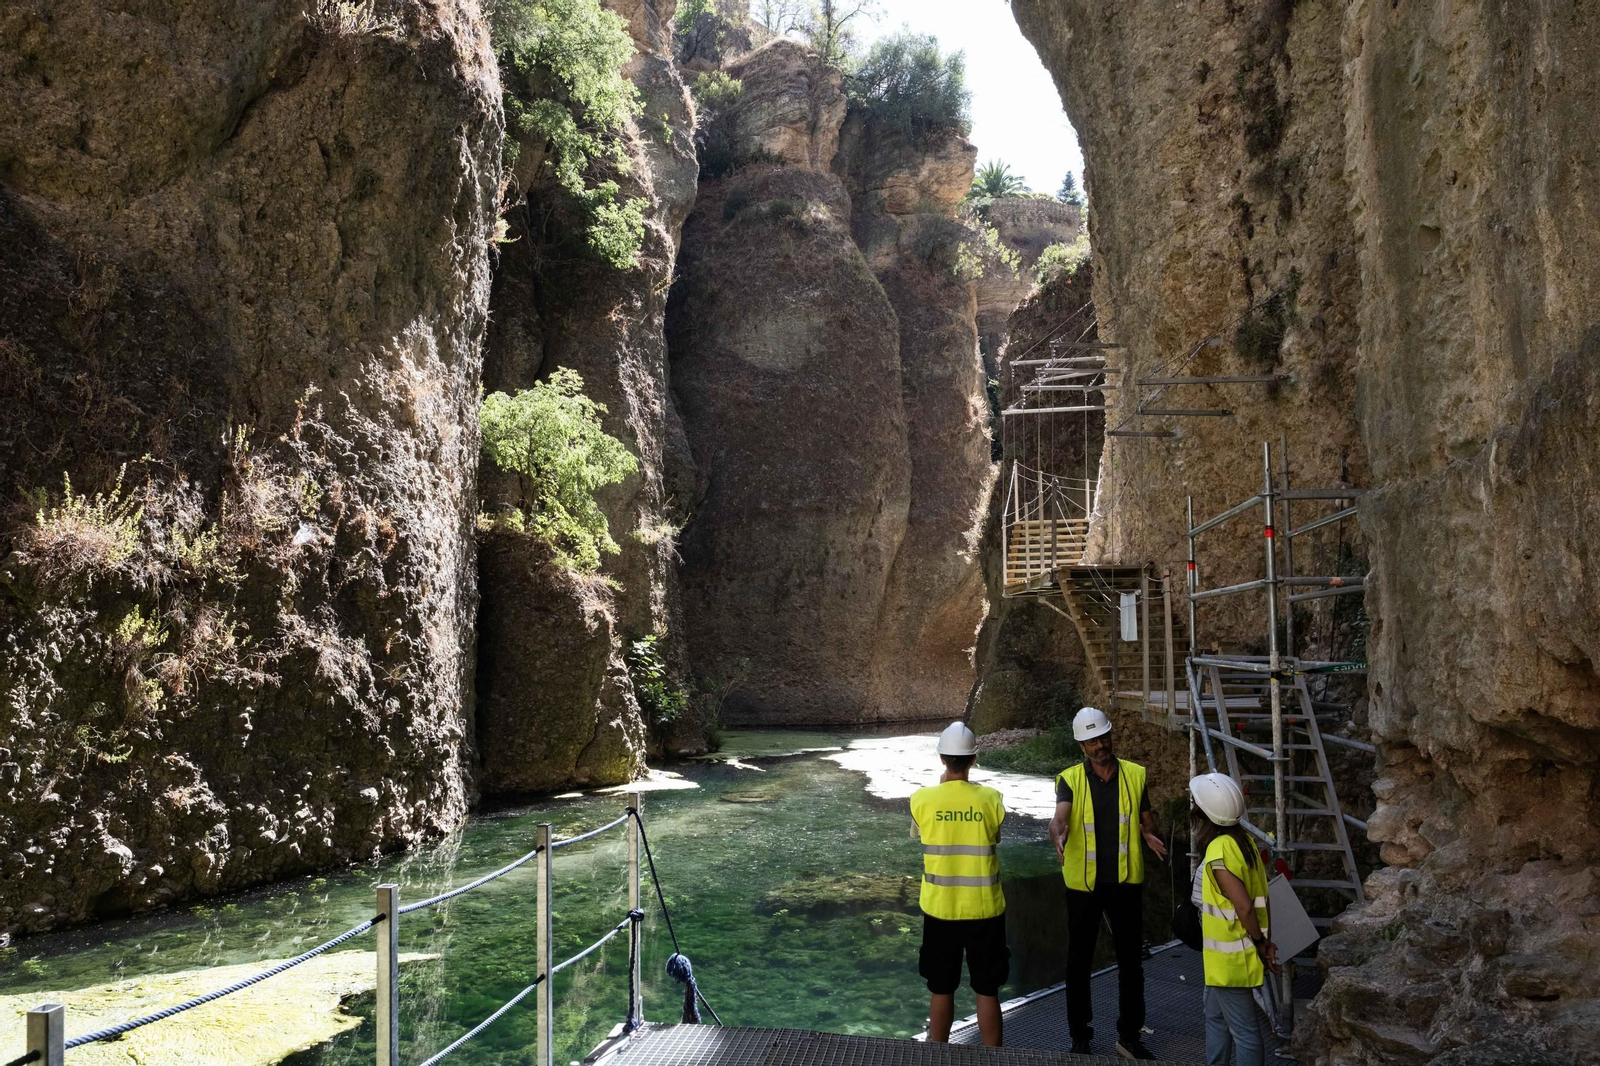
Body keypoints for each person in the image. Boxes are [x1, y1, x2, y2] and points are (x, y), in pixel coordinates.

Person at [1050, 706, 1168, 1059]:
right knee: (1079, 962)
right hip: (1083, 886)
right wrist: (1057, 835)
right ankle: (1080, 1038)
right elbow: (1059, 819)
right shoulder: (1069, 779)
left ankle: (1129, 1037)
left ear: (1110, 736)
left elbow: (1146, 819)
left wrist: (1149, 834)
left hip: (1125, 882)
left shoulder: (1134, 775)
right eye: (1091, 741)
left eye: (1103, 737)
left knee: (1131, 962)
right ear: (1082, 746)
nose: (1100, 745)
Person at [909, 721, 1009, 1047]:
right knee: (987, 989)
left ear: (942, 759)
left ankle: (938, 1055)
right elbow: (994, 837)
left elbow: (918, 833)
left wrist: (941, 788)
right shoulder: (991, 800)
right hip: (985, 910)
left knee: (941, 988)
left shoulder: (922, 800)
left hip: (940, 910)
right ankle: (994, 1057)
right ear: (974, 759)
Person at [1189, 772, 1279, 1066]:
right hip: (1225, 959)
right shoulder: (1245, 843)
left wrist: (1261, 943)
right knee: (1214, 1017)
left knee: (1245, 1032)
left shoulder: (1218, 851)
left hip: (1231, 959)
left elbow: (1244, 907)